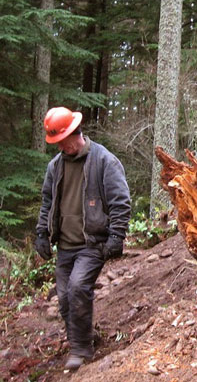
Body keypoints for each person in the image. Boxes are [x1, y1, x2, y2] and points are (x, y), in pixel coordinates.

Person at [34, 107, 131, 371]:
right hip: (65, 245)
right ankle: (86, 336)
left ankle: (81, 350)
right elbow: (47, 203)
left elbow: (120, 202)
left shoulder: (104, 161)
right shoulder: (55, 166)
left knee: (78, 288)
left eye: (62, 142)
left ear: (73, 133)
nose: (60, 147)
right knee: (65, 299)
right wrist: (42, 232)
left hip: (92, 244)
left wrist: (116, 236)